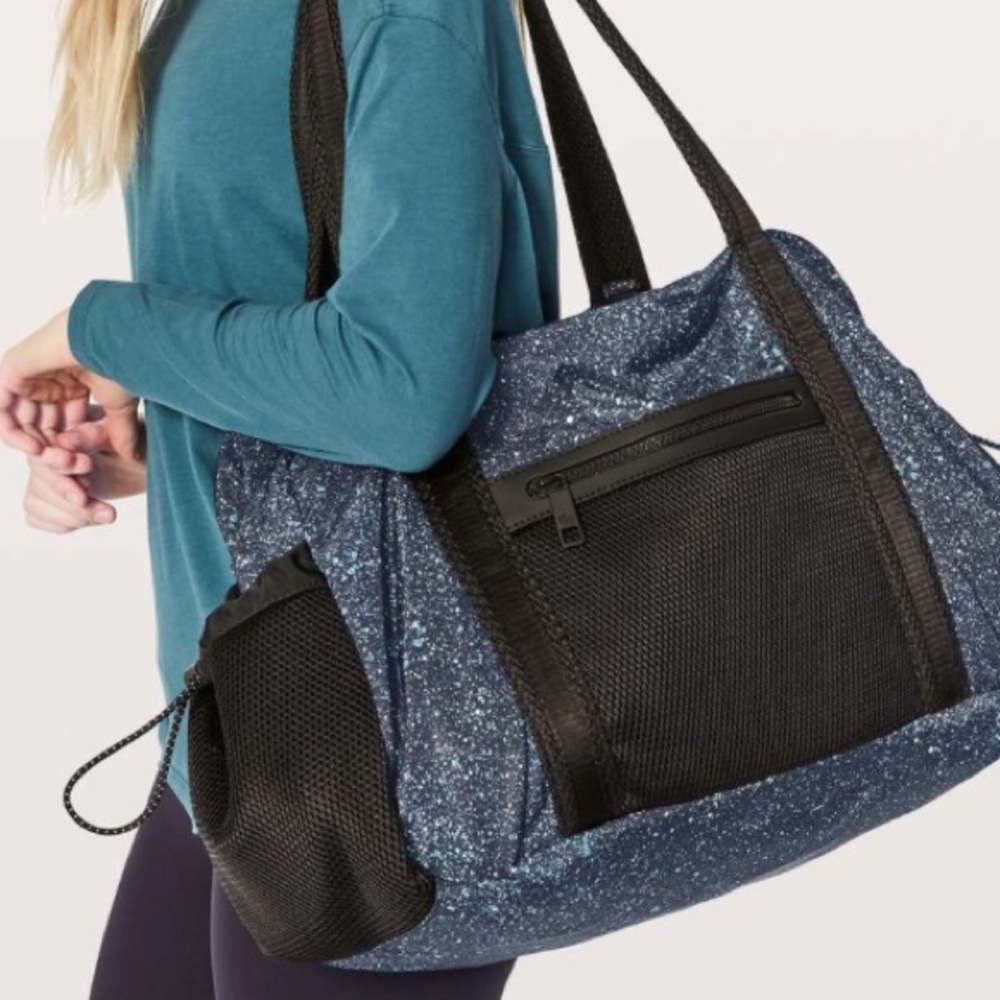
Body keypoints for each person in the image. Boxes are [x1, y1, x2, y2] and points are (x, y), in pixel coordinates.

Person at [0, 0, 560, 996]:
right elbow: (299, 322)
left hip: (388, 750)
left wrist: (104, 332)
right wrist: (161, 452)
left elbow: (405, 392)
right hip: (233, 713)